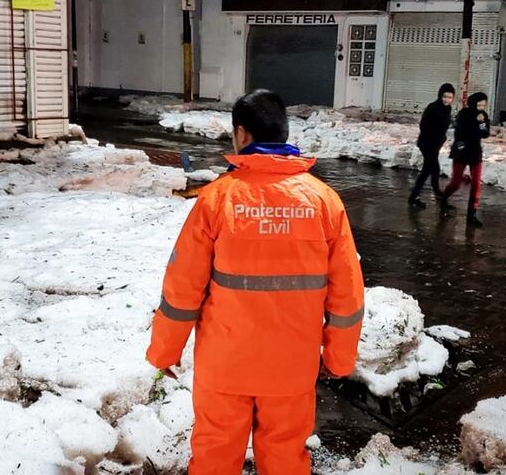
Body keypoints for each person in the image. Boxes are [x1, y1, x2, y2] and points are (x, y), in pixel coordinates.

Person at [146, 89, 365, 474]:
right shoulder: (324, 202)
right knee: (285, 457)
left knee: (215, 454)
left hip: (224, 367)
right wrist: (338, 358)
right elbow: (347, 294)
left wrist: (164, 351)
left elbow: (182, 289)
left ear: (242, 135)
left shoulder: (216, 201)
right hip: (291, 369)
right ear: (283, 134)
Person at [440, 92, 491, 227]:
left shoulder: (483, 116)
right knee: (456, 182)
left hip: (475, 152)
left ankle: (472, 214)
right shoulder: (464, 114)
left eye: (483, 105)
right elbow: (459, 132)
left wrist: (481, 122)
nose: (481, 107)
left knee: (476, 184)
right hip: (461, 151)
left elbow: (485, 134)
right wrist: (461, 146)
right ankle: (443, 198)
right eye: (479, 104)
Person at [408, 83, 456, 209]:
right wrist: (433, 137)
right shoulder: (433, 107)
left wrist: (442, 138)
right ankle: (416, 196)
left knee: (432, 169)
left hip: (436, 144)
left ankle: (431, 193)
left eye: (450, 97)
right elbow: (423, 125)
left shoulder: (448, 109)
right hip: (427, 143)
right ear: (440, 96)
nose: (447, 100)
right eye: (445, 96)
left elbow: (444, 127)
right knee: (429, 169)